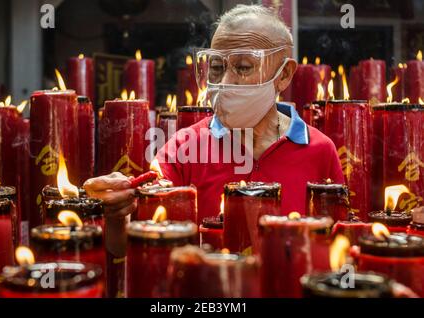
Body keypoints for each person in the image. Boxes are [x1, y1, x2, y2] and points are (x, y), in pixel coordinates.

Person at [84, 4, 344, 257]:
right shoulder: (184, 146)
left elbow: (335, 248)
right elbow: (130, 246)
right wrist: (117, 214)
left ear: (284, 74)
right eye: (217, 68)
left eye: (243, 67)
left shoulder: (319, 149)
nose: (226, 82)